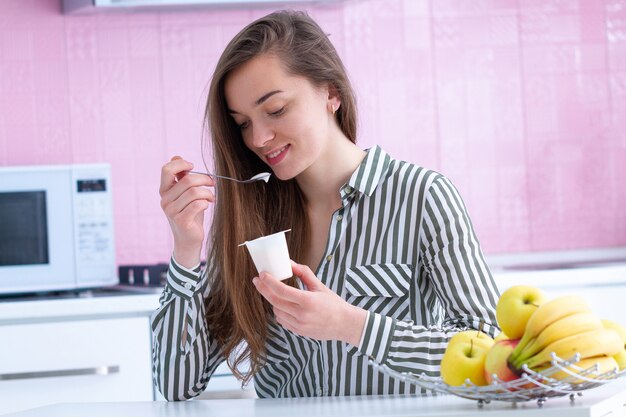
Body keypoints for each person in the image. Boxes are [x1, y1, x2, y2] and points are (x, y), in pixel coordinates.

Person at [152, 9, 500, 400]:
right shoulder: (250, 219)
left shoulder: (422, 196)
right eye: (243, 123)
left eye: (276, 109)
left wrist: (354, 326)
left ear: (330, 93)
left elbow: (488, 352)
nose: (260, 138)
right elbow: (175, 385)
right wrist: (185, 249)